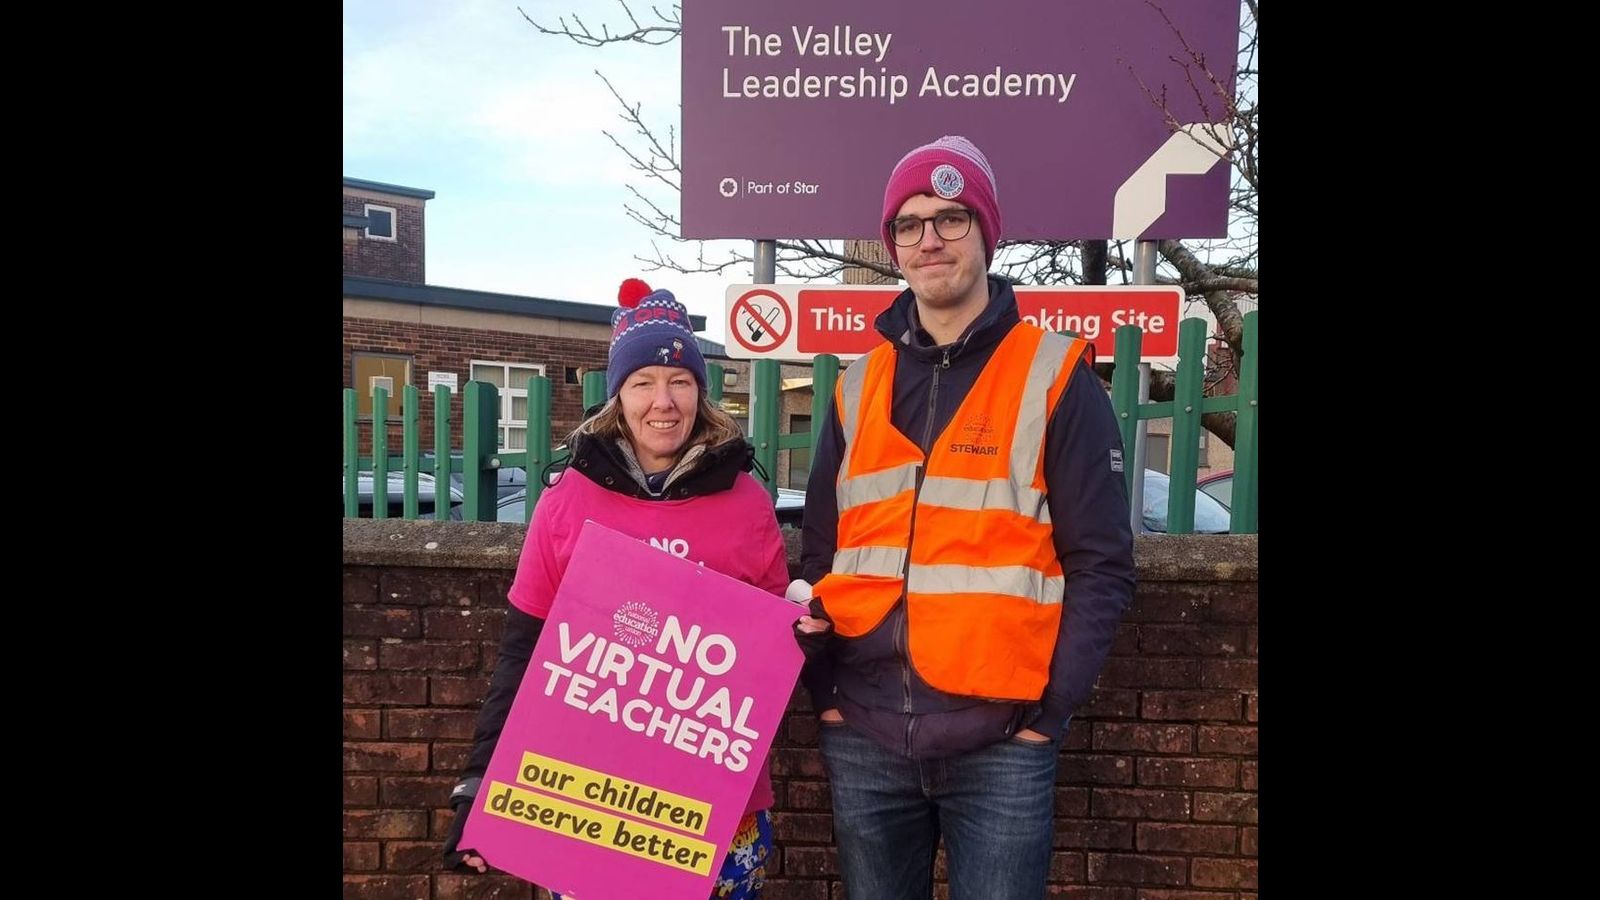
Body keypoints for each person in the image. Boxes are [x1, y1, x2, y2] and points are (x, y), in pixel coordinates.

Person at [797, 135, 1137, 899]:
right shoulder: (857, 386)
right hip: (866, 730)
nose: (929, 240)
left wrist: (1048, 714)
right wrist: (827, 699)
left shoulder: (1053, 375)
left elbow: (1102, 565)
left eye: (951, 218)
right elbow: (823, 553)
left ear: (987, 230)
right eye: (909, 224)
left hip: (1003, 739)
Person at [442, 278, 791, 900]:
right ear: (618, 397)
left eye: (680, 381)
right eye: (643, 383)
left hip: (714, 809)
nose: (664, 401)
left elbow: (773, 656)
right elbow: (522, 655)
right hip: (590, 802)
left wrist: (804, 634)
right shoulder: (567, 502)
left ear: (701, 394)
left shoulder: (748, 503)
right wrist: (478, 786)